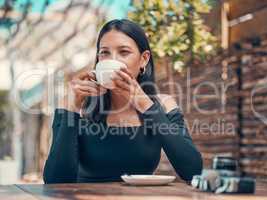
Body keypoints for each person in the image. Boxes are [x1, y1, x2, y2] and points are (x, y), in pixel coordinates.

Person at [43, 19, 202, 184]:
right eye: (104, 53)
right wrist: (73, 107)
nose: (113, 60)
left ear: (144, 59)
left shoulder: (163, 104)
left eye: (124, 52)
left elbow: (193, 171)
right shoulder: (78, 104)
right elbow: (55, 181)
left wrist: (145, 104)